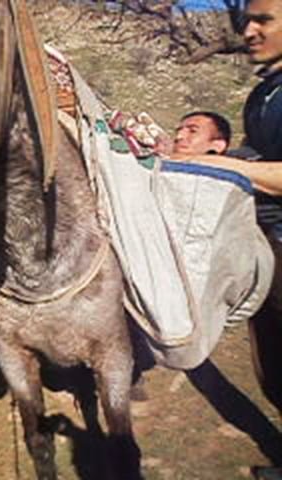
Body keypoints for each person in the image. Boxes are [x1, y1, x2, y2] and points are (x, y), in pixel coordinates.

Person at [171, 1, 282, 477]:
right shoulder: (265, 94)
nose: (248, 30)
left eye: (264, 20)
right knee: (275, 370)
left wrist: (221, 165)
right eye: (246, 20)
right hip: (266, 249)